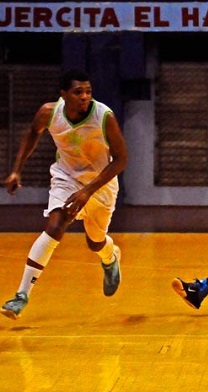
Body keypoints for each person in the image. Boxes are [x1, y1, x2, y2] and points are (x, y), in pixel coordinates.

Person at [1, 69, 128, 320]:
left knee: (95, 242)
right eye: (78, 92)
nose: (84, 97)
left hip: (100, 183)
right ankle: (21, 295)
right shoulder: (49, 113)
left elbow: (122, 160)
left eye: (88, 91)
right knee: (56, 224)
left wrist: (88, 191)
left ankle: (110, 256)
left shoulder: (104, 116)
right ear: (64, 95)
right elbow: (31, 134)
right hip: (66, 177)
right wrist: (16, 171)